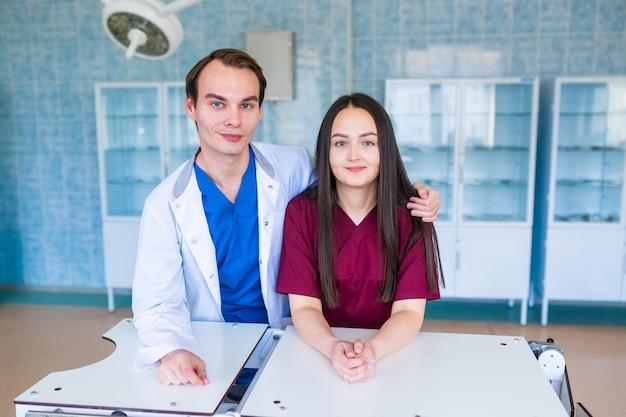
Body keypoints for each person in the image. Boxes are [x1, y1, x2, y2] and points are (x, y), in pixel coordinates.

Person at [131, 48, 441, 386]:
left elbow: (354, 175)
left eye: (246, 105)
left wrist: (415, 192)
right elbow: (156, 301)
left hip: (291, 341)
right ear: (191, 107)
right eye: (217, 103)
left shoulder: (292, 166)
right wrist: (171, 349)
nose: (233, 119)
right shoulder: (164, 203)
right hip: (215, 343)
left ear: (260, 111)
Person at [276, 93, 445, 384]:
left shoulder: (413, 218)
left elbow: (408, 312)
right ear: (326, 151)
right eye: (341, 143)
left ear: (386, 150)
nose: (354, 155)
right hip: (317, 354)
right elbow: (304, 307)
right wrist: (333, 348)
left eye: (367, 142)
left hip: (390, 356)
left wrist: (372, 351)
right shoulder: (301, 213)